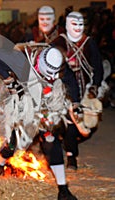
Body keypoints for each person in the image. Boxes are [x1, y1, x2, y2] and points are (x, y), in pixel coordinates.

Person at [0, 46, 78, 200]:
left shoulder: (60, 66)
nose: (52, 77)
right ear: (40, 64)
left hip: (45, 107)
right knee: (13, 144)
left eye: (55, 74)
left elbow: (71, 81)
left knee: (51, 141)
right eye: (49, 74)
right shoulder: (23, 61)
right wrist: (8, 79)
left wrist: (77, 102)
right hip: (22, 106)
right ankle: (0, 164)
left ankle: (63, 190)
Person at [51, 11, 104, 170]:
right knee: (70, 121)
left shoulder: (88, 43)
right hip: (65, 88)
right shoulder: (59, 41)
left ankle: (69, 145)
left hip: (84, 88)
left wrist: (95, 85)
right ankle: (71, 156)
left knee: (83, 123)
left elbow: (98, 66)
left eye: (80, 24)